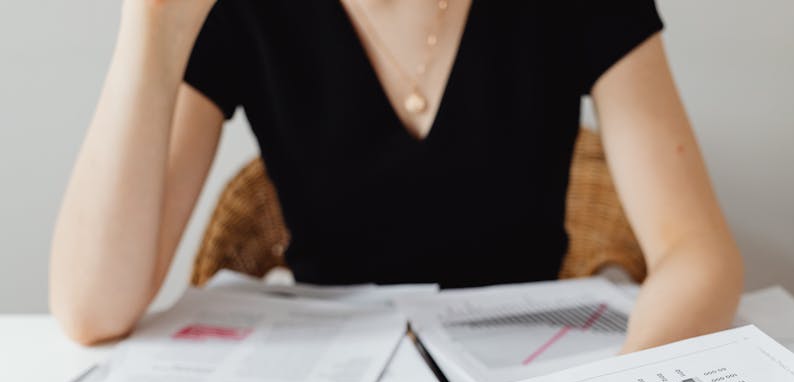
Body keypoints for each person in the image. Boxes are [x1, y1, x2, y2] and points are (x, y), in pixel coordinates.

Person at [50, 0, 743, 353]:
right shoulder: (244, 10)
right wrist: (152, 25)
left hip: (524, 381)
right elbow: (90, 310)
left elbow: (696, 252)